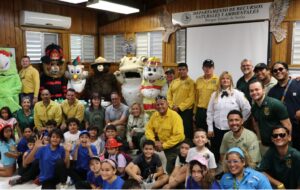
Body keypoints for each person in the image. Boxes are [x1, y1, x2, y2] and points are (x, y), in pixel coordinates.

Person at [207, 71, 251, 163]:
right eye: (223, 78)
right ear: (220, 81)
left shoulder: (237, 94)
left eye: (227, 78)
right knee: (217, 151)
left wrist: (240, 122)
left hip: (232, 129)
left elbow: (247, 108)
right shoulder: (214, 95)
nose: (225, 80)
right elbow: (210, 112)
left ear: (231, 81)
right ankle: (217, 171)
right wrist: (210, 128)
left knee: (232, 152)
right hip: (217, 129)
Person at [249, 80, 292, 154]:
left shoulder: (275, 104)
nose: (254, 92)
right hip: (265, 145)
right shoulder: (254, 108)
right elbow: (256, 125)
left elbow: (287, 125)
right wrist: (260, 140)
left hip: (280, 144)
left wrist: (287, 142)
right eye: (251, 91)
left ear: (263, 90)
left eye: (257, 89)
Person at [145, 95, 185, 174]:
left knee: (167, 170)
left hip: (174, 145)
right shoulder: (155, 115)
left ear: (167, 104)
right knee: (144, 139)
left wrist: (163, 146)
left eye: (162, 104)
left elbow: (178, 135)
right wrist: (154, 142)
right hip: (159, 143)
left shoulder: (175, 116)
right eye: (158, 104)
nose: (160, 106)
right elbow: (148, 129)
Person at [269, 61, 300, 150]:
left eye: (280, 69)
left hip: (298, 129)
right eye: (275, 71)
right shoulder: (272, 91)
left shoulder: (298, 84)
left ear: (287, 70)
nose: (278, 71)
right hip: (282, 133)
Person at [167, 62, 195, 139]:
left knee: (186, 131)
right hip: (173, 110)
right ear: (177, 71)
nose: (182, 71)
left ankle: (188, 148)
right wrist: (172, 106)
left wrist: (179, 107)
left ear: (187, 70)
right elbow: (169, 95)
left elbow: (191, 98)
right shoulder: (174, 82)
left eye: (183, 69)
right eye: (180, 70)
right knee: (174, 130)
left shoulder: (191, 82)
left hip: (186, 111)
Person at [194, 59, 218, 131]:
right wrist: (194, 112)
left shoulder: (218, 80)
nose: (208, 69)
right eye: (206, 67)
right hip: (200, 111)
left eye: (210, 67)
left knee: (211, 133)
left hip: (212, 111)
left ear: (213, 68)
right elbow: (196, 97)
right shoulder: (198, 80)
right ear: (202, 68)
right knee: (200, 132)